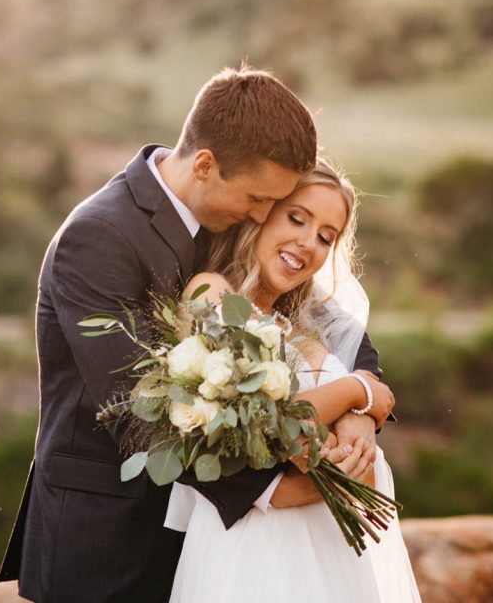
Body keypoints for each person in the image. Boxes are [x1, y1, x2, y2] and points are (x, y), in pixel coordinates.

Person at [0, 65, 387, 603]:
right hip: (108, 540)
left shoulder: (223, 221)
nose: (262, 215)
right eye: (258, 200)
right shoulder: (99, 236)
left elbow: (331, 328)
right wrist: (274, 490)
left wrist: (360, 407)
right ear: (205, 164)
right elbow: (136, 411)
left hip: (205, 543)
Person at [166, 158, 421, 603]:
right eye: (297, 218)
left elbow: (365, 376)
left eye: (326, 237)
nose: (308, 243)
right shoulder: (212, 293)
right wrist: (354, 393)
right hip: (258, 548)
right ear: (262, 213)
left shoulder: (306, 322)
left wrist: (356, 421)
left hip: (331, 547)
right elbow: (258, 424)